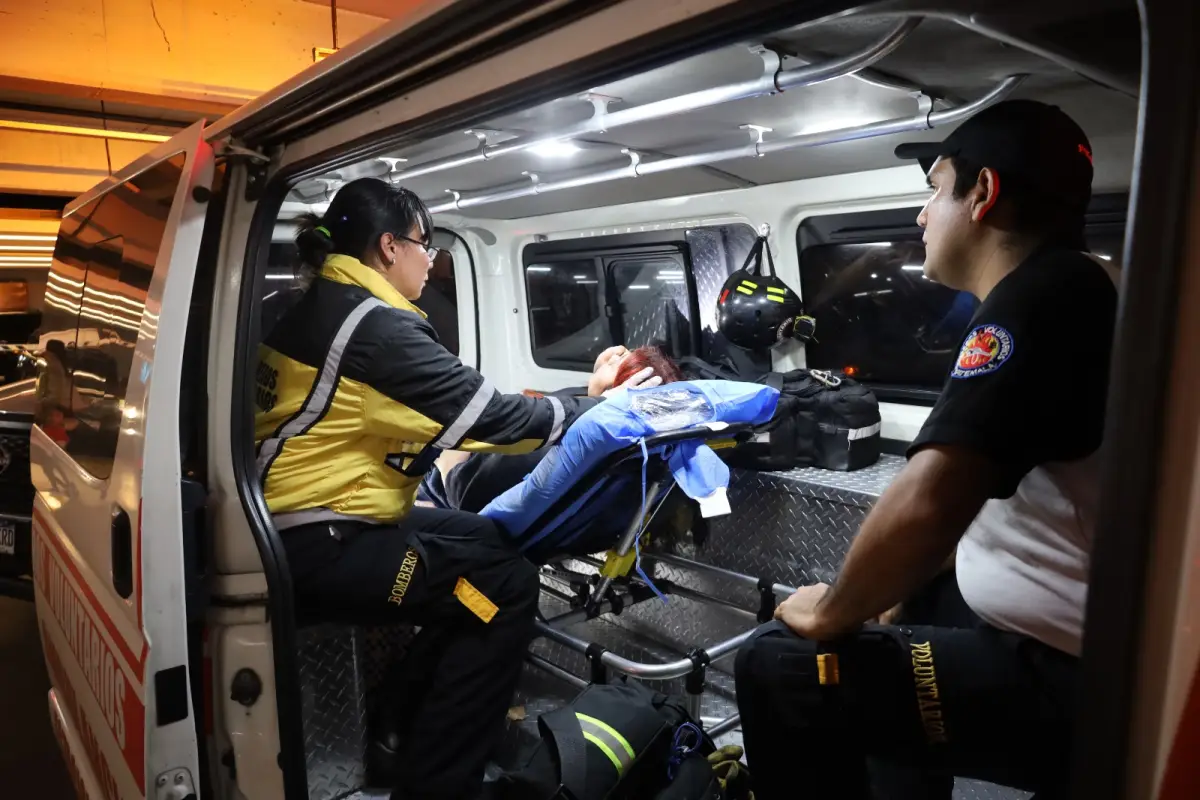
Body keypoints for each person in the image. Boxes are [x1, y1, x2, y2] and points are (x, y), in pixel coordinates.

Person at [734, 98, 1117, 798]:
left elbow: (935, 496)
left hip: (1074, 676)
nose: (921, 216)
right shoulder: (1079, 287)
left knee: (781, 664)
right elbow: (980, 491)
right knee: (903, 603)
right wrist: (887, 591)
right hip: (1060, 629)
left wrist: (830, 613)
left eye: (935, 190)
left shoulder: (1043, 295)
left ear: (983, 193)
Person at [253, 177, 660, 800]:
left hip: (316, 518)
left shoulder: (320, 306)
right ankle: (437, 783)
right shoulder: (374, 327)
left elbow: (441, 412)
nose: (433, 258)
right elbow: (492, 419)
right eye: (427, 243)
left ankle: (400, 728)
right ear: (389, 247)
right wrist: (594, 405)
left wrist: (571, 403)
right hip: (321, 543)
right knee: (502, 590)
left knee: (489, 537)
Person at [422, 344, 684, 514]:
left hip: (436, 489)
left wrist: (449, 459)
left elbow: (464, 493)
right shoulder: (601, 420)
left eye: (619, 362)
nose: (615, 353)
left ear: (615, 391)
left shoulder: (567, 441)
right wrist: (600, 378)